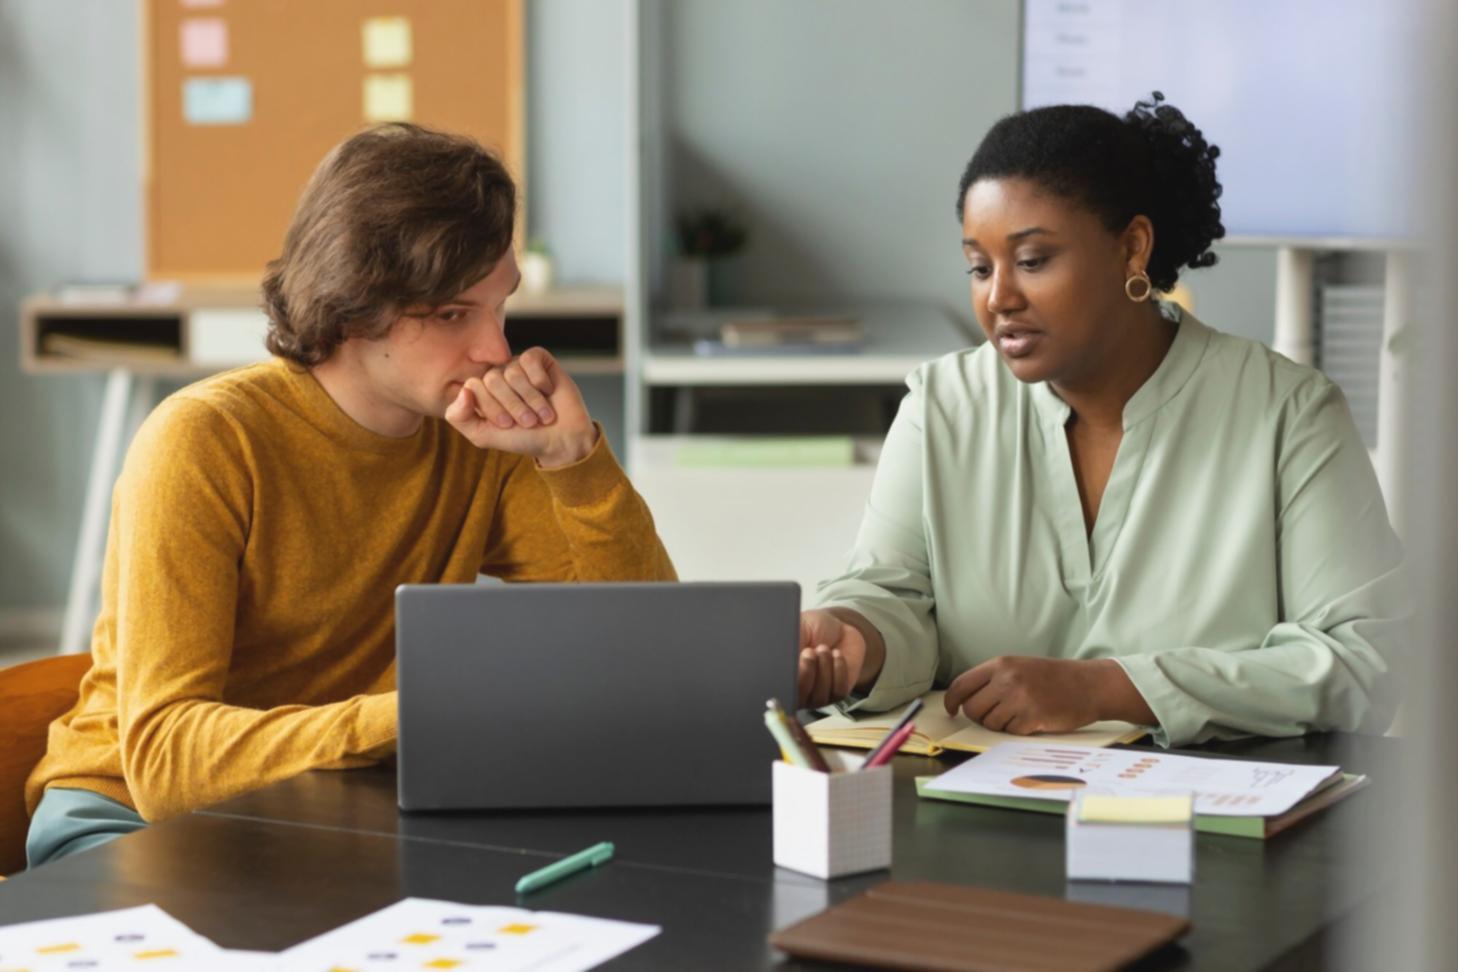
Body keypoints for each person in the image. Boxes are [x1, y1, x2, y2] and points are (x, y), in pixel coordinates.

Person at [25, 124, 676, 866]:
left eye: (500, 307)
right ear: (354, 305)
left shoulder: (479, 441)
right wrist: (412, 719)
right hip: (131, 822)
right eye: (454, 315)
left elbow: (647, 653)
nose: (497, 350)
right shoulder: (203, 441)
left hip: (330, 809)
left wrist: (573, 460)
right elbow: (166, 762)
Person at [796, 93, 1405, 747]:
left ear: (1132, 250)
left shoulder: (1288, 414)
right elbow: (892, 594)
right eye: (979, 267)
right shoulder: (942, 404)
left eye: (1032, 261)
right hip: (974, 818)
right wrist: (856, 637)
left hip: (1210, 825)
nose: (998, 297)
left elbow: (1363, 662)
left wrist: (1107, 687)